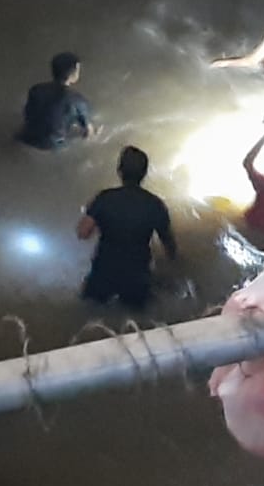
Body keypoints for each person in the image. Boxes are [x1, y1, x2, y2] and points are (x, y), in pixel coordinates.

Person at [77, 146, 178, 308]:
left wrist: (95, 213)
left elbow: (83, 233)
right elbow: (170, 247)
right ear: (144, 173)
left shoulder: (105, 198)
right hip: (136, 278)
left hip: (104, 273)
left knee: (89, 312)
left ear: (119, 170)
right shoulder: (155, 204)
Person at [18, 52, 95, 150]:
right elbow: (89, 132)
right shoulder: (77, 101)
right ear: (74, 75)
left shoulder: (36, 90)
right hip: (52, 146)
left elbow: (27, 114)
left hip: (25, 139)